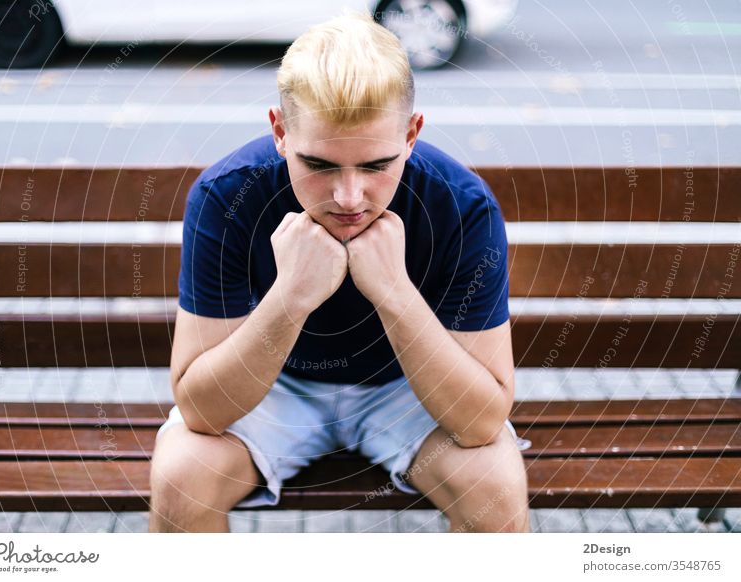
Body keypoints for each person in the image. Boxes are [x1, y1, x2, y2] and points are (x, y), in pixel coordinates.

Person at [149, 12, 530, 533]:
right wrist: (290, 299)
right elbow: (201, 411)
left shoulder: (460, 206)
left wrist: (394, 292)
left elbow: (481, 421)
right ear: (280, 132)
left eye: (376, 165)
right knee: (181, 475)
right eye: (321, 165)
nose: (349, 198)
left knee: (494, 481)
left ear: (412, 134)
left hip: (406, 389)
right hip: (275, 386)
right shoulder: (228, 195)